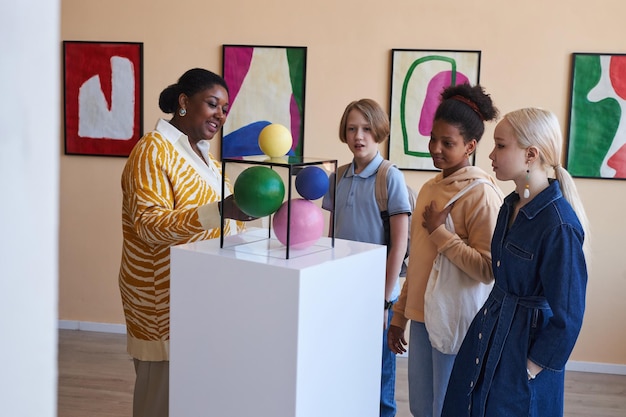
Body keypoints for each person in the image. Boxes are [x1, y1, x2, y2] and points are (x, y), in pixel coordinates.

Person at [118, 68, 253, 417]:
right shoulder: (152, 150)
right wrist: (221, 210)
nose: (220, 115)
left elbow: (219, 218)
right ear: (183, 102)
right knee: (161, 399)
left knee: (193, 396)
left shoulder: (205, 157)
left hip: (203, 294)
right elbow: (149, 225)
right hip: (163, 300)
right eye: (212, 104)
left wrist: (247, 216)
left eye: (225, 109)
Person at [441, 108, 589, 417]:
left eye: (501, 145)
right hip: (490, 329)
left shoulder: (559, 224)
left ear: (531, 154)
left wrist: (531, 367)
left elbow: (569, 315)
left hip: (524, 348)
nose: (491, 154)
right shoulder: (509, 207)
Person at [387, 84, 503, 417]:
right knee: (423, 409)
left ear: (470, 146)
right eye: (433, 138)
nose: (435, 148)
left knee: (449, 409)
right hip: (422, 318)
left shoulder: (482, 195)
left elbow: (486, 269)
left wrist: (439, 232)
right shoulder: (429, 188)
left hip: (458, 322)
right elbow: (419, 261)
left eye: (447, 143)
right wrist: (399, 316)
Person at [322, 98, 411, 417]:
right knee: (344, 367)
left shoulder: (390, 177)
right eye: (351, 129)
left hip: (378, 293)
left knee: (380, 377)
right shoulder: (337, 177)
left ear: (380, 132)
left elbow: (399, 244)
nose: (358, 136)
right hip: (342, 289)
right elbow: (332, 237)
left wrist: (385, 300)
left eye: (366, 129)